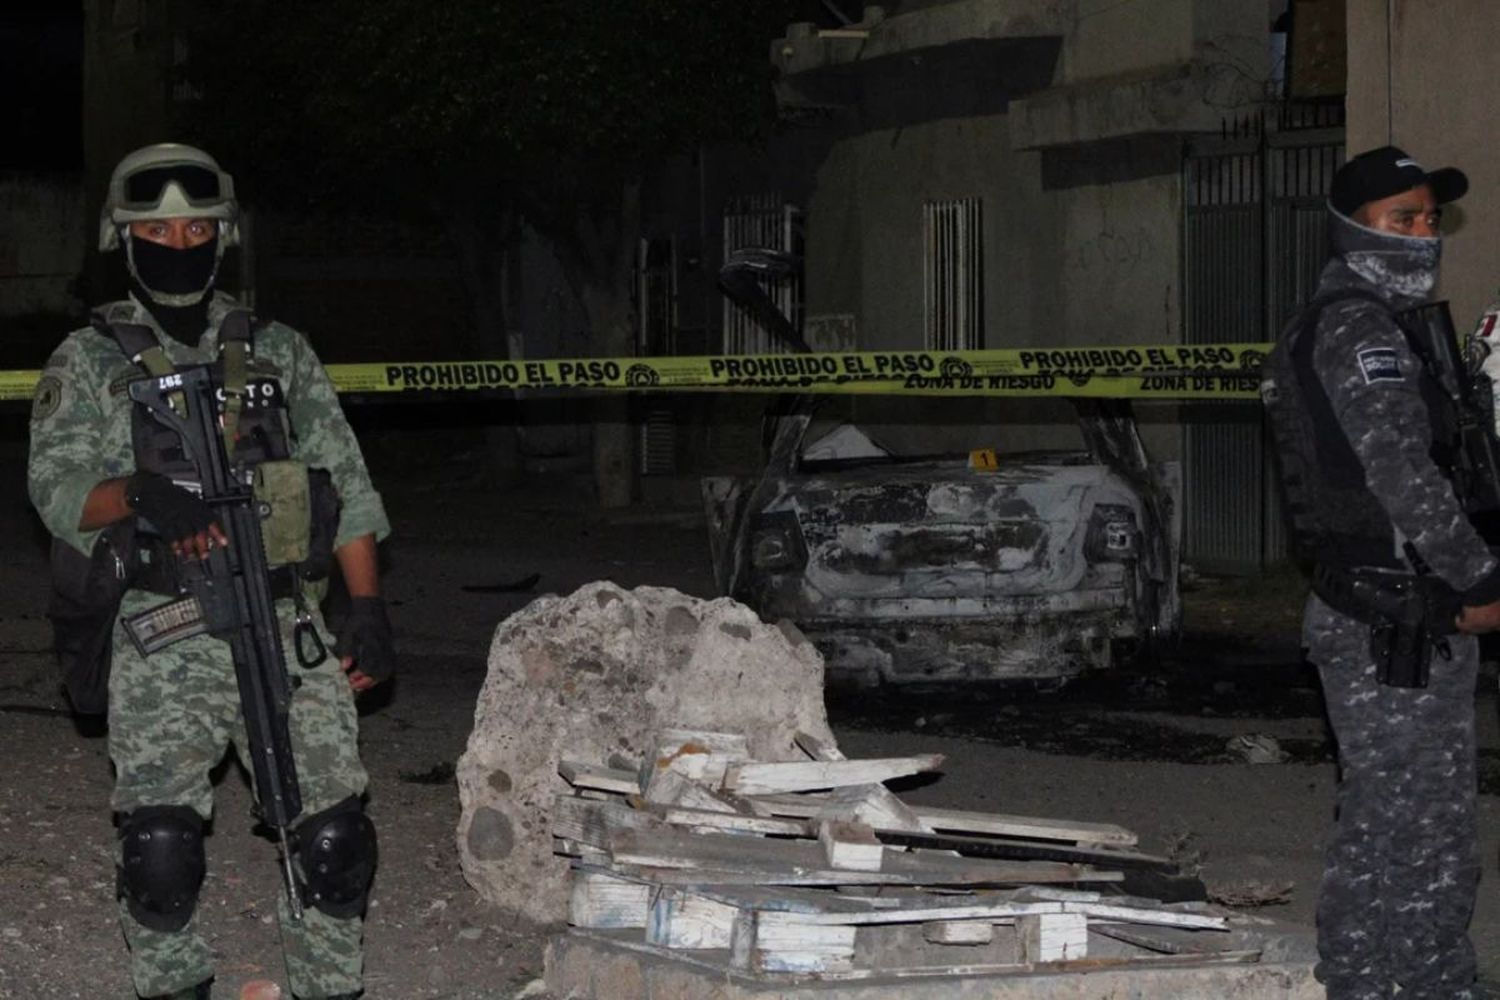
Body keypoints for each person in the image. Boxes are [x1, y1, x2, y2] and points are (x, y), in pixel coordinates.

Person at [27, 143, 395, 1000]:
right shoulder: (86, 360)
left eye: (196, 226)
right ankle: (174, 986)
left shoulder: (280, 351)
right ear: (125, 238)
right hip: (164, 628)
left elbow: (348, 488)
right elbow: (56, 491)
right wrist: (140, 494)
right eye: (157, 228)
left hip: (286, 619)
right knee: (161, 850)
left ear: (222, 236)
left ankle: (328, 988)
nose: (178, 241)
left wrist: (367, 606)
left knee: (335, 839)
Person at [1263, 145, 1500, 1000]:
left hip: (1401, 610)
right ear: (1349, 229)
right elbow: (1399, 476)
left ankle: (1420, 981)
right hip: (1389, 619)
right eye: (1402, 221)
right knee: (1401, 827)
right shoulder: (1360, 327)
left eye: (1431, 219)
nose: (1423, 235)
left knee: (1425, 829)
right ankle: (1378, 983)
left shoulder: (1385, 326)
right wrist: (1478, 581)